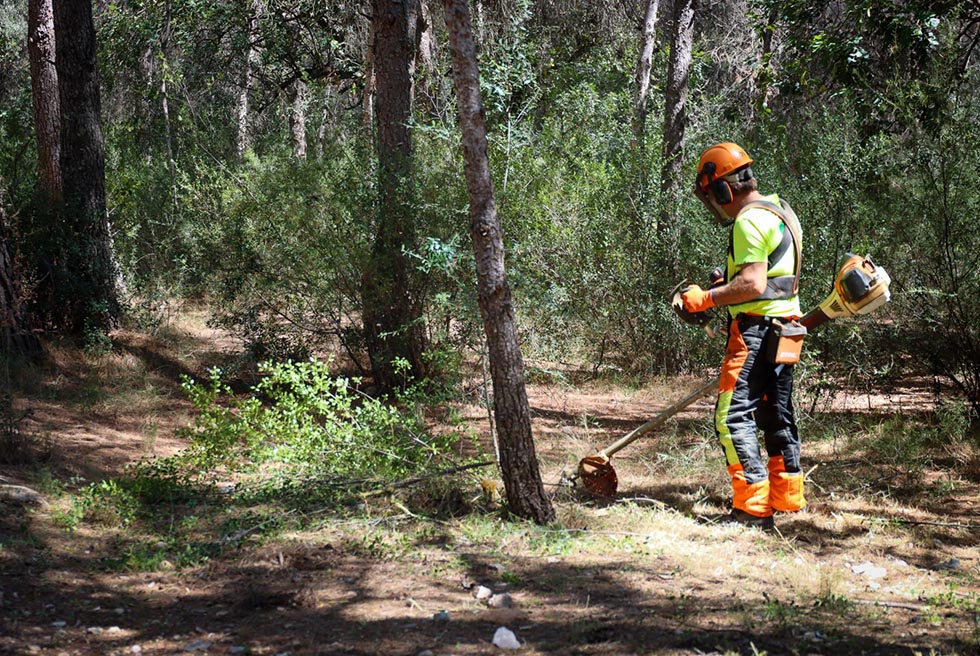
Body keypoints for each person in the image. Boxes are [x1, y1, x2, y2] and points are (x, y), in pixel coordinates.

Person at [680, 142, 807, 529]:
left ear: (721, 189)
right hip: (786, 330)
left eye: (713, 197)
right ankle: (787, 498)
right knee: (776, 414)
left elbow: (752, 284)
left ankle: (751, 509)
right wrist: (728, 283)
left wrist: (707, 298)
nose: (717, 206)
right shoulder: (781, 210)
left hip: (754, 332)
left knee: (732, 415)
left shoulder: (748, 220)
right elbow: (775, 278)